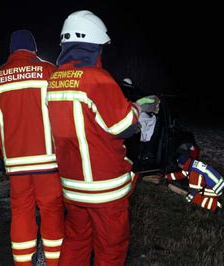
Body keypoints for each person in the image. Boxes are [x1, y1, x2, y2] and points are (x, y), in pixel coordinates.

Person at [46, 10, 159, 265]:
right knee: (111, 248)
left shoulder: (55, 81)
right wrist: (138, 108)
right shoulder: (98, 78)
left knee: (76, 241)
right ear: (95, 45)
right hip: (104, 189)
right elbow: (123, 128)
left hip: (72, 186)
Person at [0, 29, 64, 265]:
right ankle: (54, 261)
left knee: (21, 212)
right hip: (49, 161)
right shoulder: (49, 71)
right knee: (51, 210)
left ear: (11, 51)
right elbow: (65, 112)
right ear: (34, 48)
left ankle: (23, 262)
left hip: (16, 164)